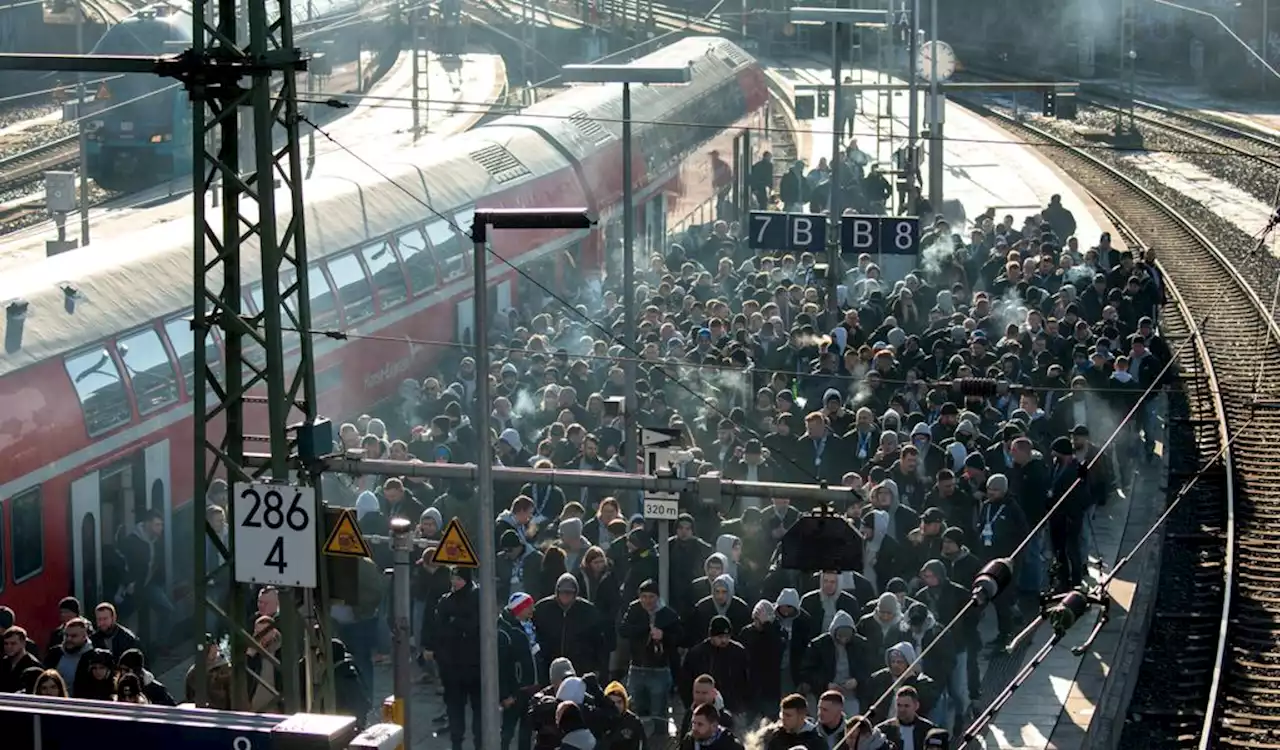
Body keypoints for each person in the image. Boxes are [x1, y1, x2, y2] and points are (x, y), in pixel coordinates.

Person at [433, 566, 483, 750]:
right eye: (453, 578)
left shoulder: (477, 598)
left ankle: (480, 744)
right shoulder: (446, 601)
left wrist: (455, 621)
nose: (455, 582)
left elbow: (475, 626)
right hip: (452, 667)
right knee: (455, 710)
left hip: (475, 666)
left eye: (459, 579)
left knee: (479, 711)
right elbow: (439, 628)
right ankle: (456, 744)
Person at [499, 593, 541, 750]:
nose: (533, 609)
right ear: (519, 609)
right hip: (515, 692)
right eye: (529, 606)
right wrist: (504, 695)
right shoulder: (506, 633)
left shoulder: (530, 626)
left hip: (531, 689)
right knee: (507, 730)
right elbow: (501, 667)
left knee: (526, 731)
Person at [758, 693, 827, 750]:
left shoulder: (816, 742)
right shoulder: (776, 736)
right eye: (782, 714)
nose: (783, 719)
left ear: (801, 716)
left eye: (788, 715)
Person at [0, 627, 41, 693]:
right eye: (6, 643)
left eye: (13, 643)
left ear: (23, 643)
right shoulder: (2, 663)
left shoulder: (34, 666)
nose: (9, 647)